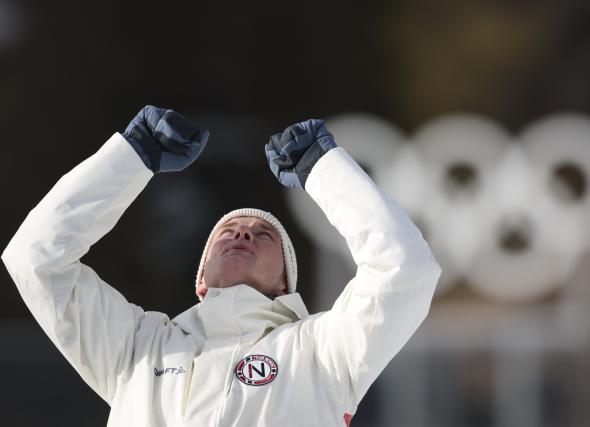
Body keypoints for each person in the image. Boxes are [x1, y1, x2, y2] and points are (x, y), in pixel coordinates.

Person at [2, 106, 441, 426]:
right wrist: (128, 159)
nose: (242, 233)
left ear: (286, 283)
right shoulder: (137, 348)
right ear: (201, 278)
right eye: (226, 233)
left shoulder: (322, 351)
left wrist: (323, 171)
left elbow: (404, 270)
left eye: (263, 234)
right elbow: (36, 259)